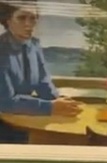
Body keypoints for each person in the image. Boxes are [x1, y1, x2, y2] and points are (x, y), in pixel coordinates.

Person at [0, 0, 82, 143]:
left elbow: (43, 81)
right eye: (22, 18)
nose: (29, 24)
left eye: (33, 18)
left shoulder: (34, 45)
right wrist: (51, 106)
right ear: (8, 21)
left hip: (25, 116)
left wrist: (57, 100)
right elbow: (5, 102)